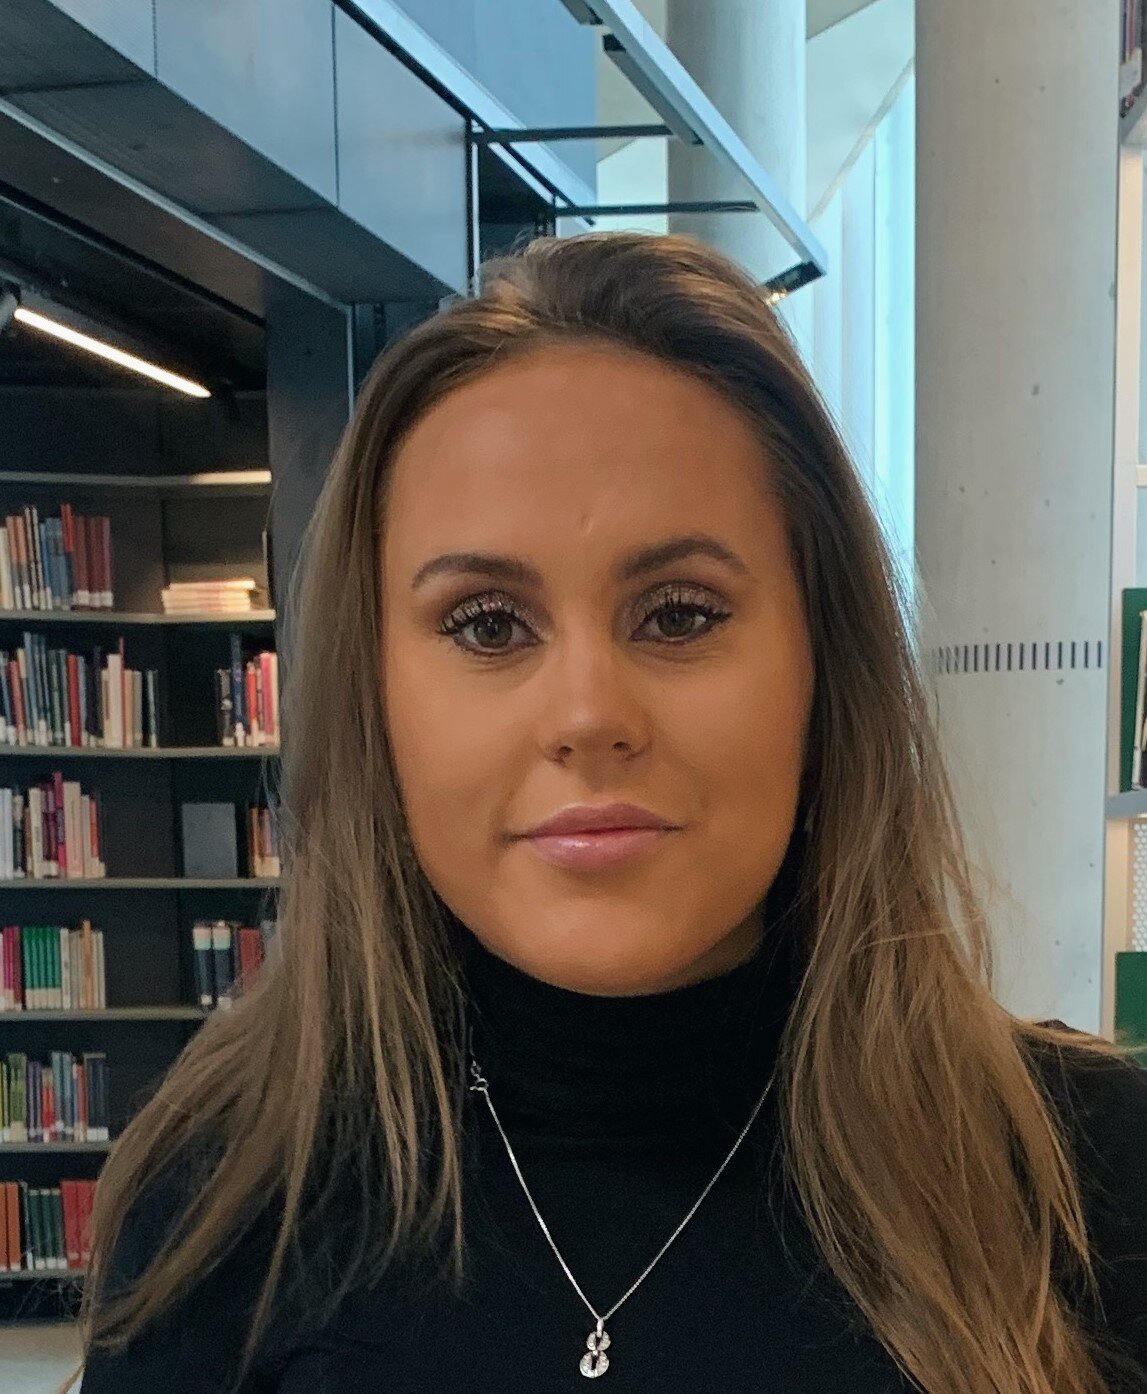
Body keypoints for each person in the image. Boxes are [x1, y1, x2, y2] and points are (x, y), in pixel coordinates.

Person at [63, 232, 1144, 1394]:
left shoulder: (1092, 1185)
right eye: (487, 624)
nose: (587, 714)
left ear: (823, 668)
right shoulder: (222, 1200)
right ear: (376, 701)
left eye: (678, 613)